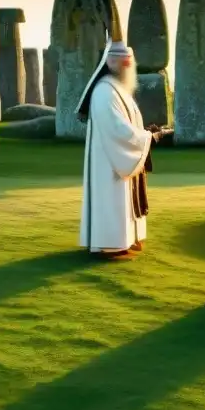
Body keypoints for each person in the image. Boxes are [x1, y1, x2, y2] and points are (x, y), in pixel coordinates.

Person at [77, 40, 165, 260]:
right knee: (111, 197)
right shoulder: (105, 91)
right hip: (108, 160)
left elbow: (128, 125)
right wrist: (148, 137)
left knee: (122, 197)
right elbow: (117, 129)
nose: (128, 64)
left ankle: (124, 240)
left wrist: (145, 132)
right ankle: (108, 244)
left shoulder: (118, 89)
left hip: (117, 154)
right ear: (110, 62)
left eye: (129, 60)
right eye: (123, 60)